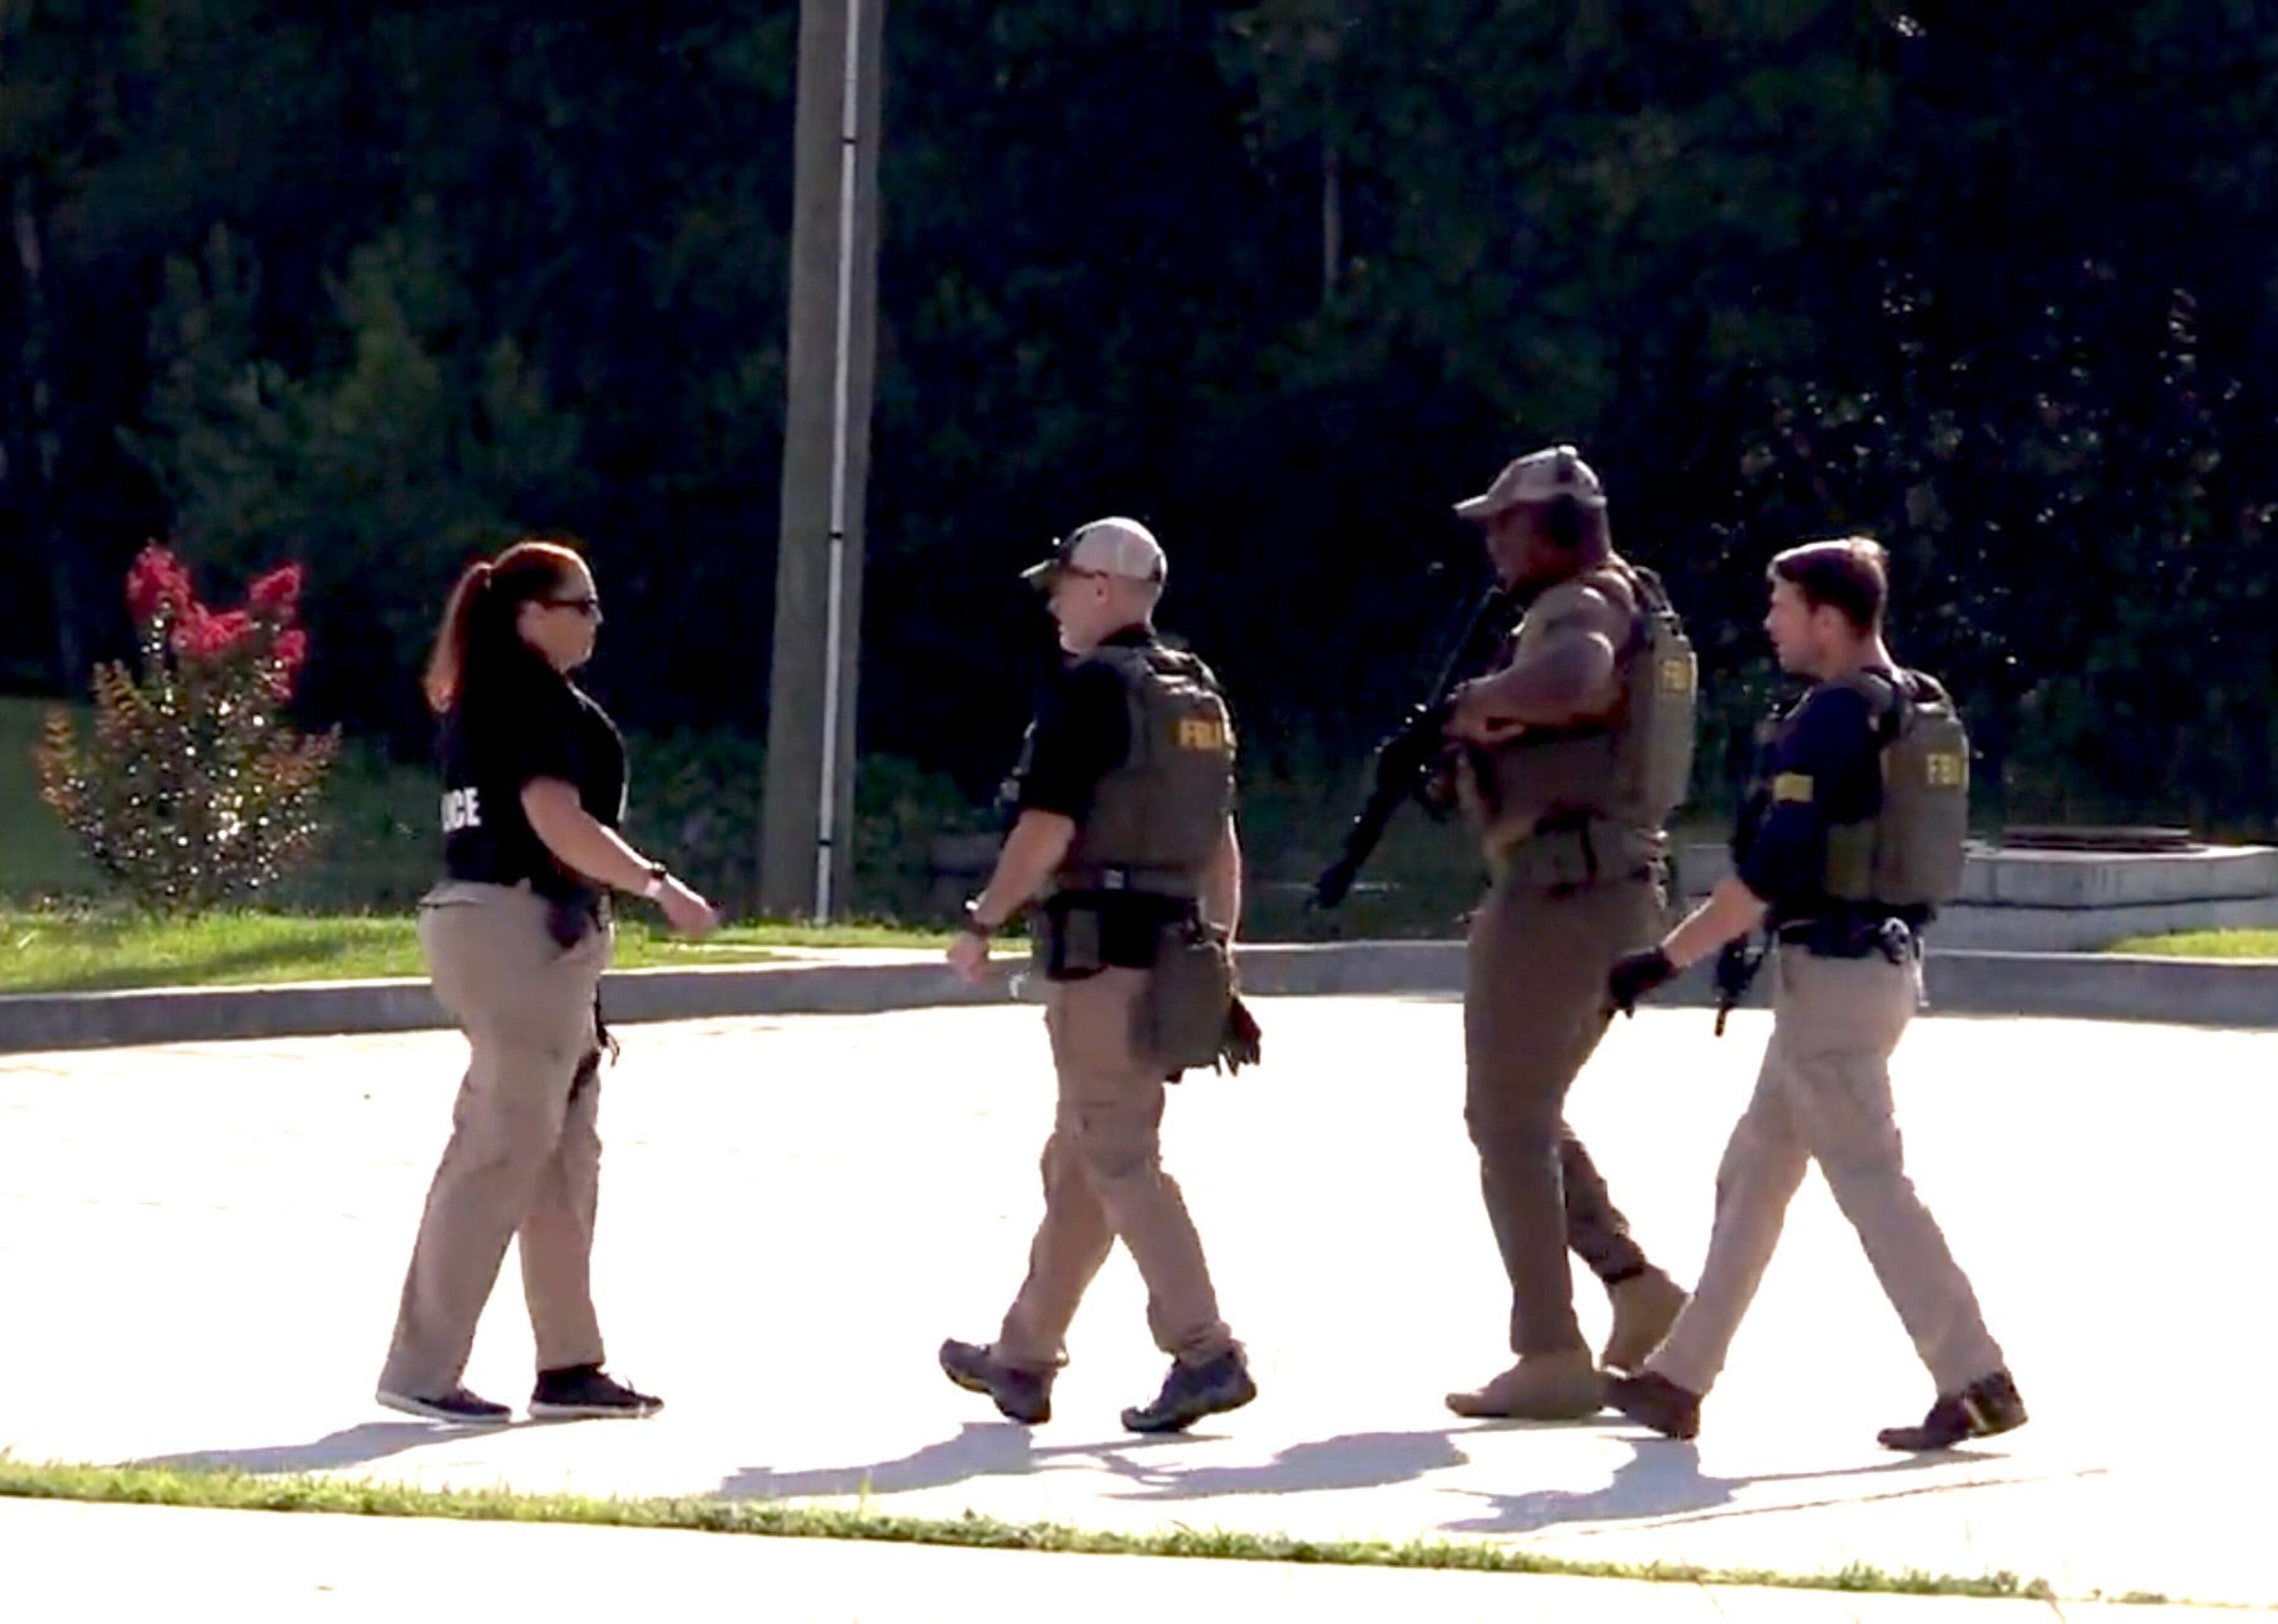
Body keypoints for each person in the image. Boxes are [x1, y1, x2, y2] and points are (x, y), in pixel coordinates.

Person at [1603, 536, 2026, 1451]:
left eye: (1782, 605)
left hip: (1831, 980)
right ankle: (1677, 1380)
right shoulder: (1915, 703)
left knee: (1874, 1186)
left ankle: (1977, 1375)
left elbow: (1772, 870)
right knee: (1754, 1174)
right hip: (1871, 969)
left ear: (1828, 620)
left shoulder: (1834, 717)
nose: (1770, 622)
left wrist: (1661, 959)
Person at [376, 538, 718, 1425]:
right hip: (515, 923)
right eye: (583, 605)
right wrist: (655, 885)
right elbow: (553, 817)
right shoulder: (524, 696)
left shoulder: (499, 694)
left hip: (523, 928)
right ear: (532, 615)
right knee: (499, 1143)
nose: (596, 620)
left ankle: (569, 1362)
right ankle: (421, 1368)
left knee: (562, 1152)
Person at [939, 517, 1256, 1435]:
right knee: (1080, 1160)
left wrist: (982, 921)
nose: (1054, 600)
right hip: (1170, 956)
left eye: (1065, 582)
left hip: (1098, 957)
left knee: (1117, 1153)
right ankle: (1024, 1357)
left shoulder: (1092, 693)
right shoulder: (1193, 694)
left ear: (1107, 588)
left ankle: (1205, 1350)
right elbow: (1220, 838)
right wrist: (1220, 951)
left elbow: (1048, 831)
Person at [1437, 444, 1698, 1421]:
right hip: (1609, 888)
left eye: (1503, 525)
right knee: (1526, 1110)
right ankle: (1634, 1286)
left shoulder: (1578, 606)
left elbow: (1579, 679)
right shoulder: (1628, 597)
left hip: (1559, 896)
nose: (1494, 546)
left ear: (1547, 526)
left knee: (1504, 1122)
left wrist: (1479, 703)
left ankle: (1549, 1351)